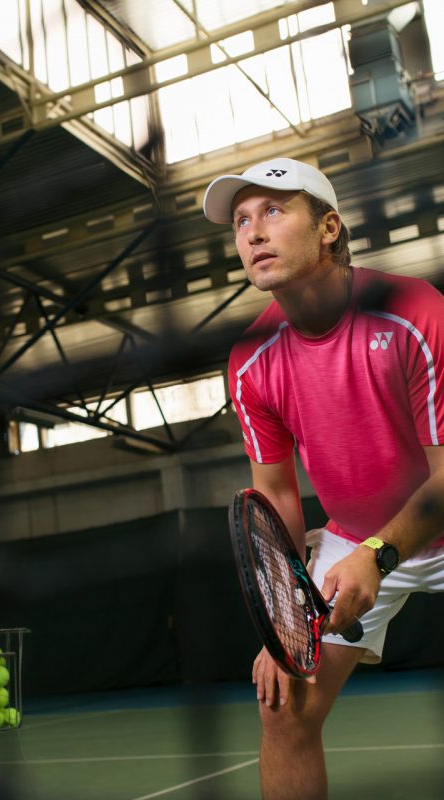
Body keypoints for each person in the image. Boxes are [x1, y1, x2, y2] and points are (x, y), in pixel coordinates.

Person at [203, 157, 444, 800]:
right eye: (241, 221)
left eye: (274, 211)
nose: (253, 232)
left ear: (330, 227)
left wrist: (379, 556)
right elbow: (277, 492)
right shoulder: (250, 360)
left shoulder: (411, 312)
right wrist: (285, 617)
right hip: (353, 535)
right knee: (284, 707)